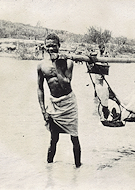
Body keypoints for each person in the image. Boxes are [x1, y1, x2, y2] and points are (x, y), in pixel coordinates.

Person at [37, 33, 81, 167]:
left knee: (74, 138)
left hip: (68, 103)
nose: (51, 49)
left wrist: (57, 64)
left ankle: (77, 168)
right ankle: (48, 169)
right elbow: (40, 88)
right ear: (44, 46)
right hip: (54, 105)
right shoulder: (41, 66)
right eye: (48, 46)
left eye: (54, 46)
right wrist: (43, 110)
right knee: (53, 139)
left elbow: (66, 84)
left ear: (59, 46)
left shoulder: (68, 62)